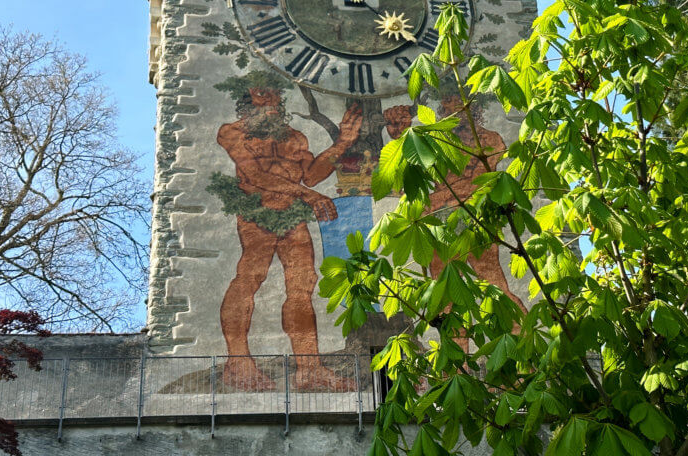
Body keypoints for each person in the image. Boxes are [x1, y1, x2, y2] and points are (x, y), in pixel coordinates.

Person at [213, 72, 362, 390]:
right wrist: (308, 196)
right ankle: (238, 364)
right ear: (250, 98)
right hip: (258, 215)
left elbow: (311, 176)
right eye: (266, 97)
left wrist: (342, 144)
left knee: (302, 289)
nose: (275, 104)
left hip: (293, 218)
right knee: (249, 279)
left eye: (277, 99)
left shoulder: (295, 137)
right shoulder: (232, 133)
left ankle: (309, 370)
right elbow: (255, 176)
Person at [383, 96, 527, 314]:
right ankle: (453, 347)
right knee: (445, 301)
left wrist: (434, 201)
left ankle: (524, 341)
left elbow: (476, 184)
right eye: (446, 103)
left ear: (473, 107)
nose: (452, 108)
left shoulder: (490, 139)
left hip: (475, 221)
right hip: (441, 226)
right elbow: (412, 177)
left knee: (495, 288)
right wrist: (402, 135)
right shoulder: (438, 141)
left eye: (457, 102)